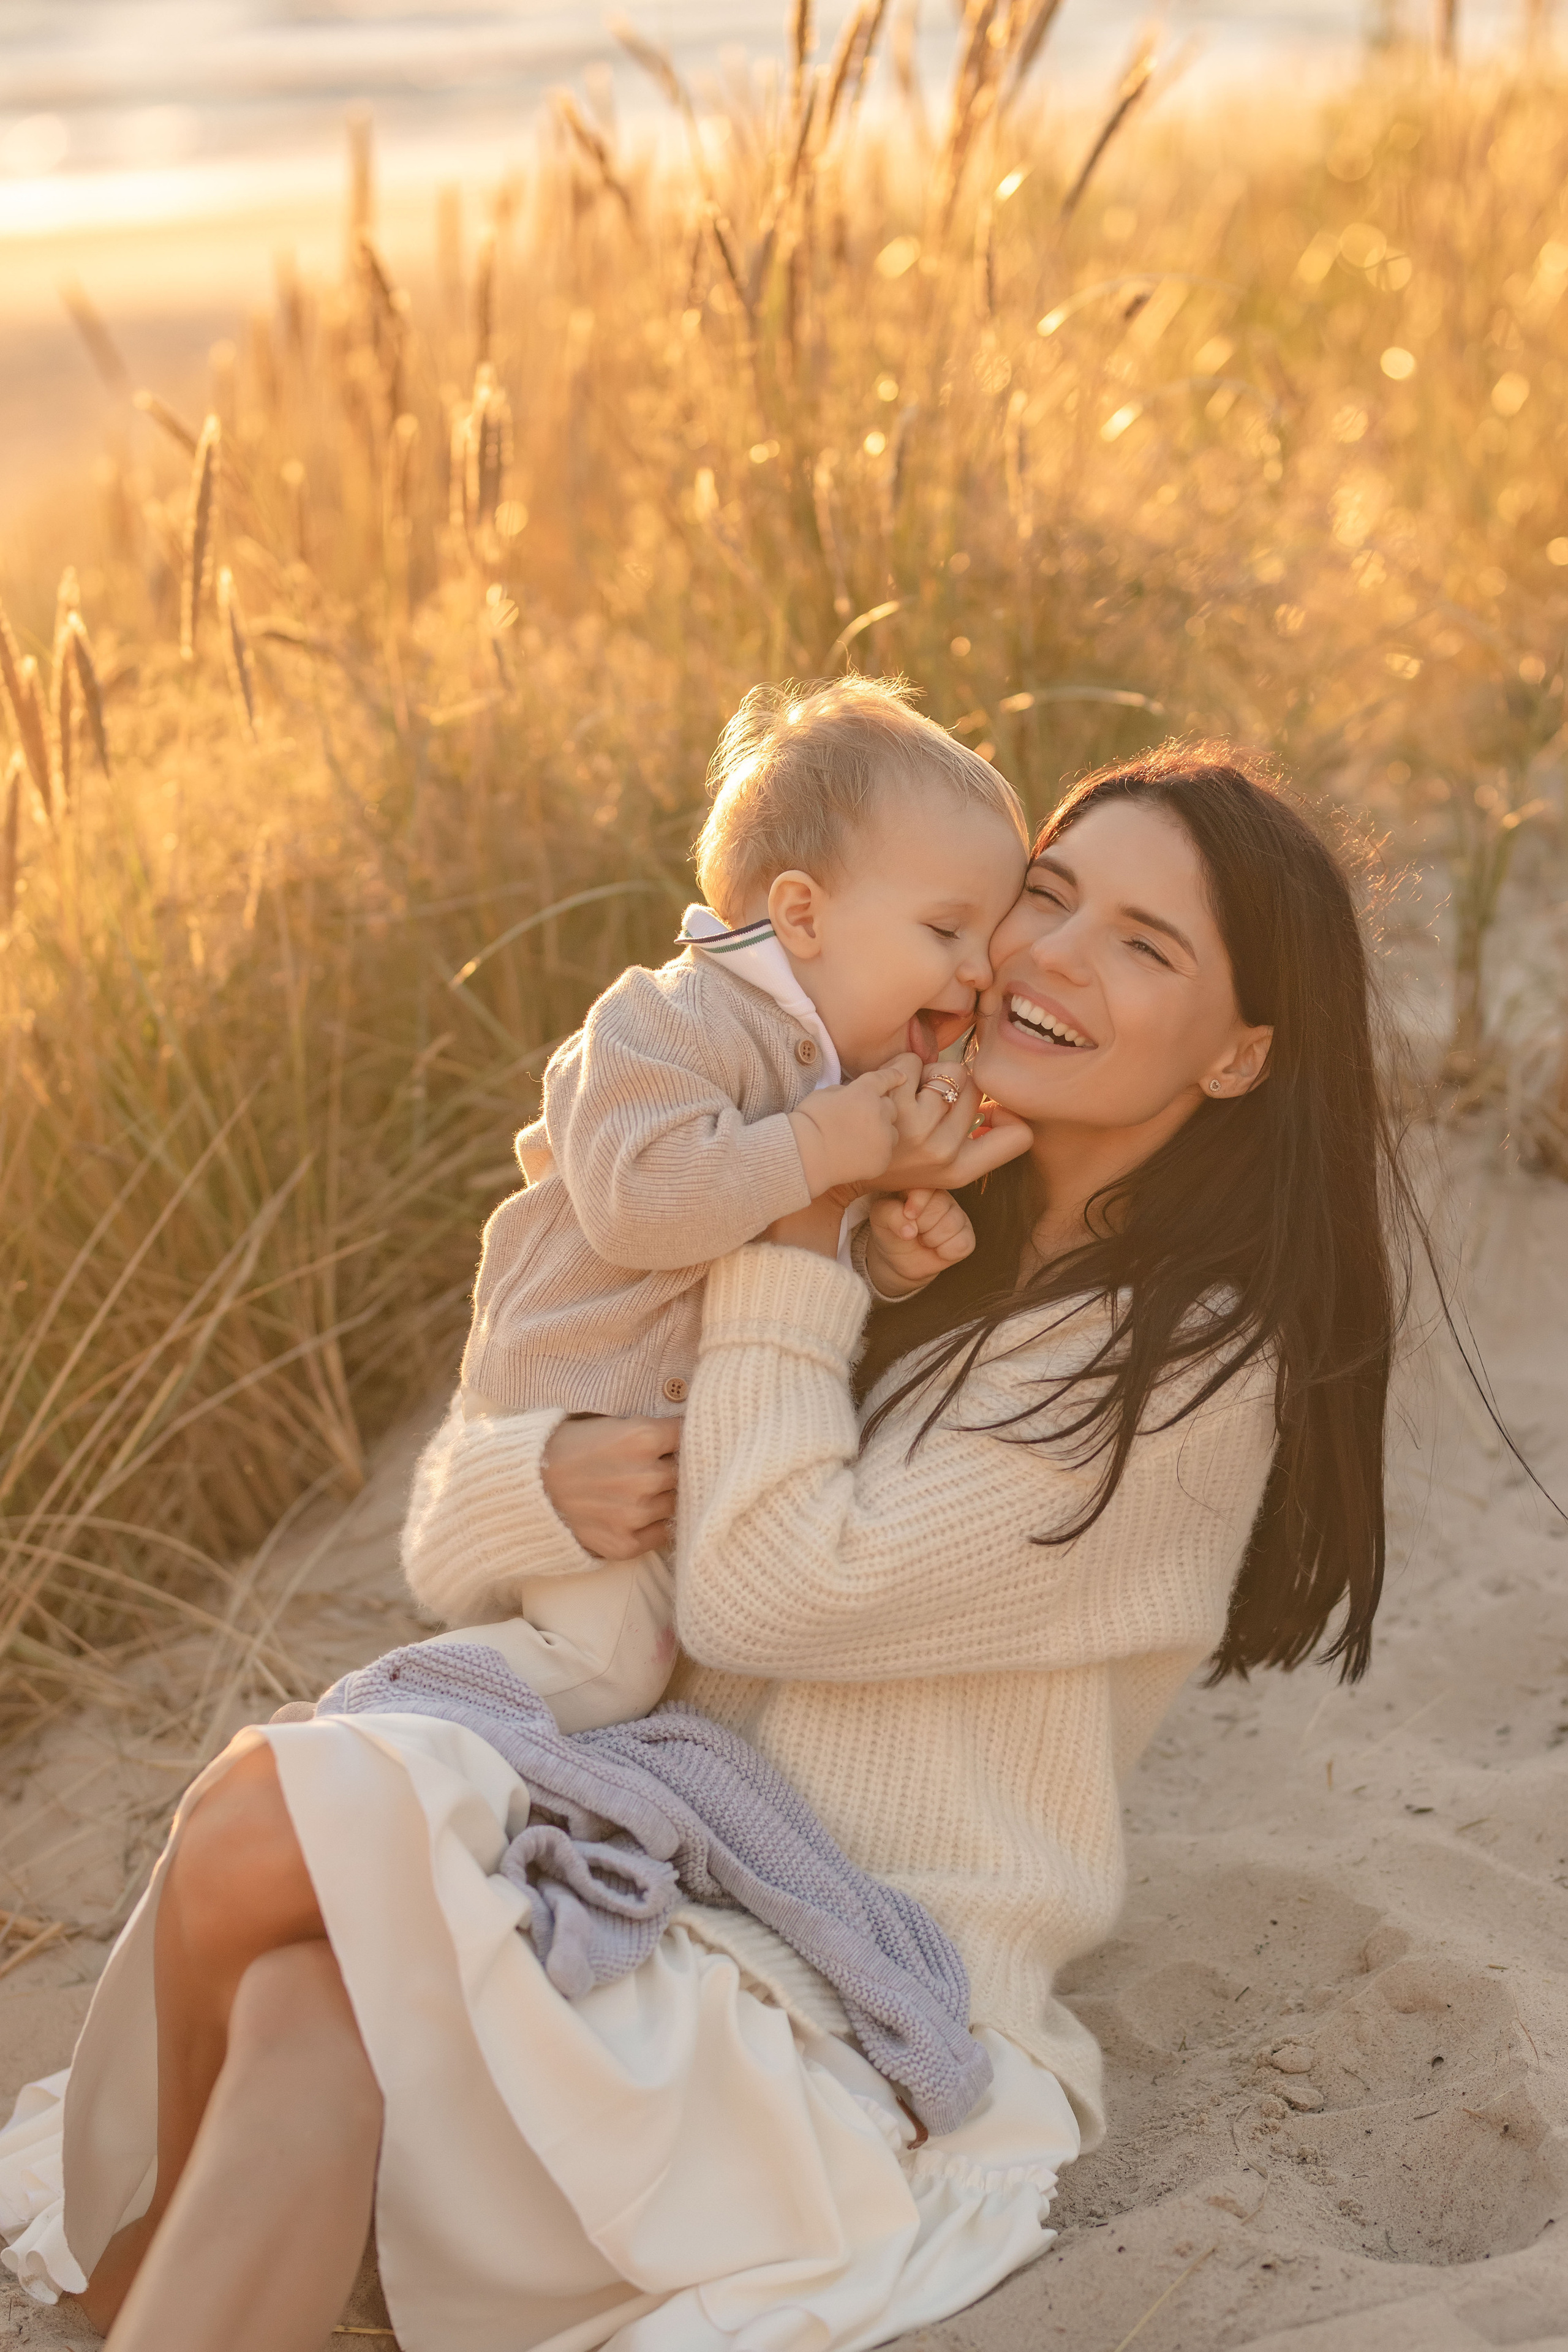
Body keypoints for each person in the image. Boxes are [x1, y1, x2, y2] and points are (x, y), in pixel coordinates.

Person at [0, 744, 1408, 2352]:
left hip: (844, 2003)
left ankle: (138, 2279)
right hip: (670, 1863)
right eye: (1048, 896)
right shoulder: (936, 1213)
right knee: (296, 1993)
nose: (1051, 959)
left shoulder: (1179, 1365)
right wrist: (557, 1473)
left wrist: (806, 1215)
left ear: (1238, 1057)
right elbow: (478, 1503)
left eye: (1146, 946)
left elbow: (767, 1587)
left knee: (276, 1833)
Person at [419, 672, 1028, 1729]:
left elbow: (778, 1288)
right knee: (610, 1669)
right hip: (578, 1407)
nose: (979, 974)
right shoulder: (665, 1023)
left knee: (668, 1674)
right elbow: (642, 1207)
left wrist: (882, 1258)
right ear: (801, 914)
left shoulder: (843, 1084)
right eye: (947, 932)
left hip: (678, 1461)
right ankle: (379, 1722)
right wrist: (811, 1148)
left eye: (990, 941)